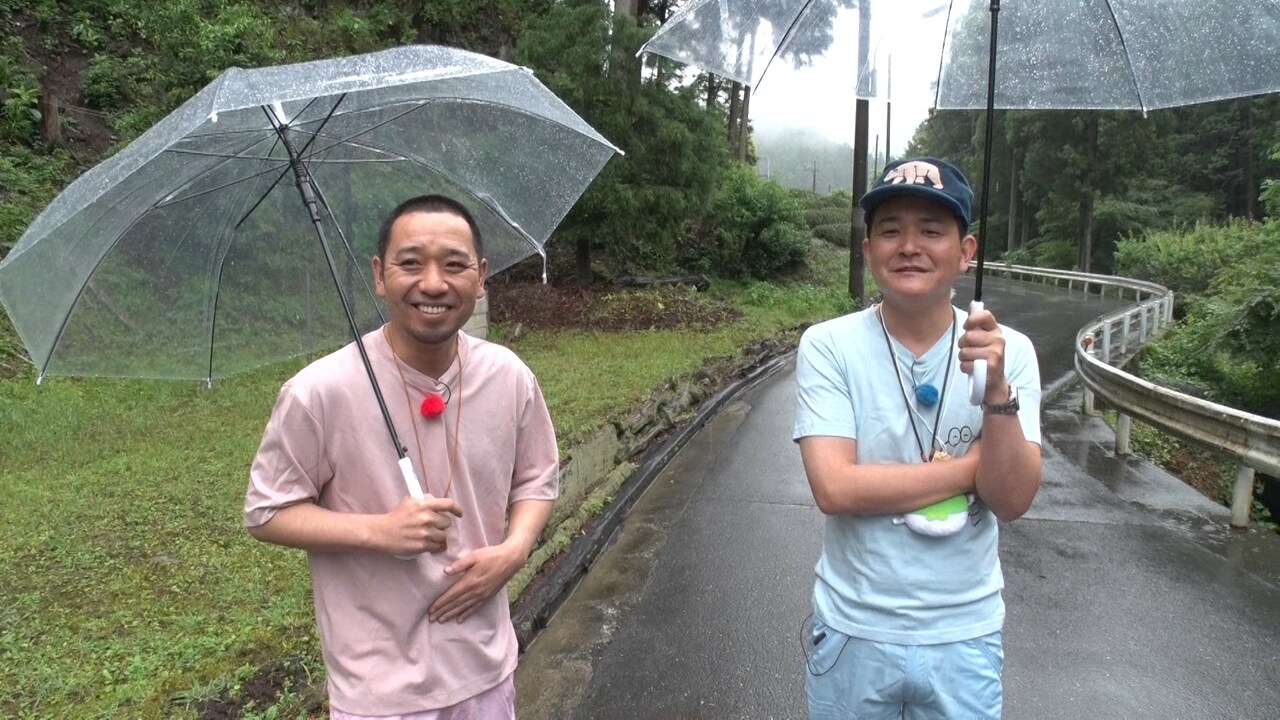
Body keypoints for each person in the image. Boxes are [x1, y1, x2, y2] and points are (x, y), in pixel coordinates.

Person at [244, 195, 558, 719]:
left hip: (486, 673)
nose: (433, 283)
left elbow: (537, 478)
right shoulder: (320, 392)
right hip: (379, 693)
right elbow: (266, 511)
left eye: (454, 264)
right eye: (410, 263)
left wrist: (516, 549)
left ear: (480, 277)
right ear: (379, 275)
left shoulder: (509, 377)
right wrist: (379, 531)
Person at [793, 157, 1043, 719]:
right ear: (867, 249)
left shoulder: (1010, 352)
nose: (910, 245)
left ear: (967, 250)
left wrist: (997, 390)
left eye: (931, 230)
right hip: (853, 630)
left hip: (965, 635)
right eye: (890, 230)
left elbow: (1012, 499)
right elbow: (835, 488)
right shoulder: (828, 346)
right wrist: (966, 469)